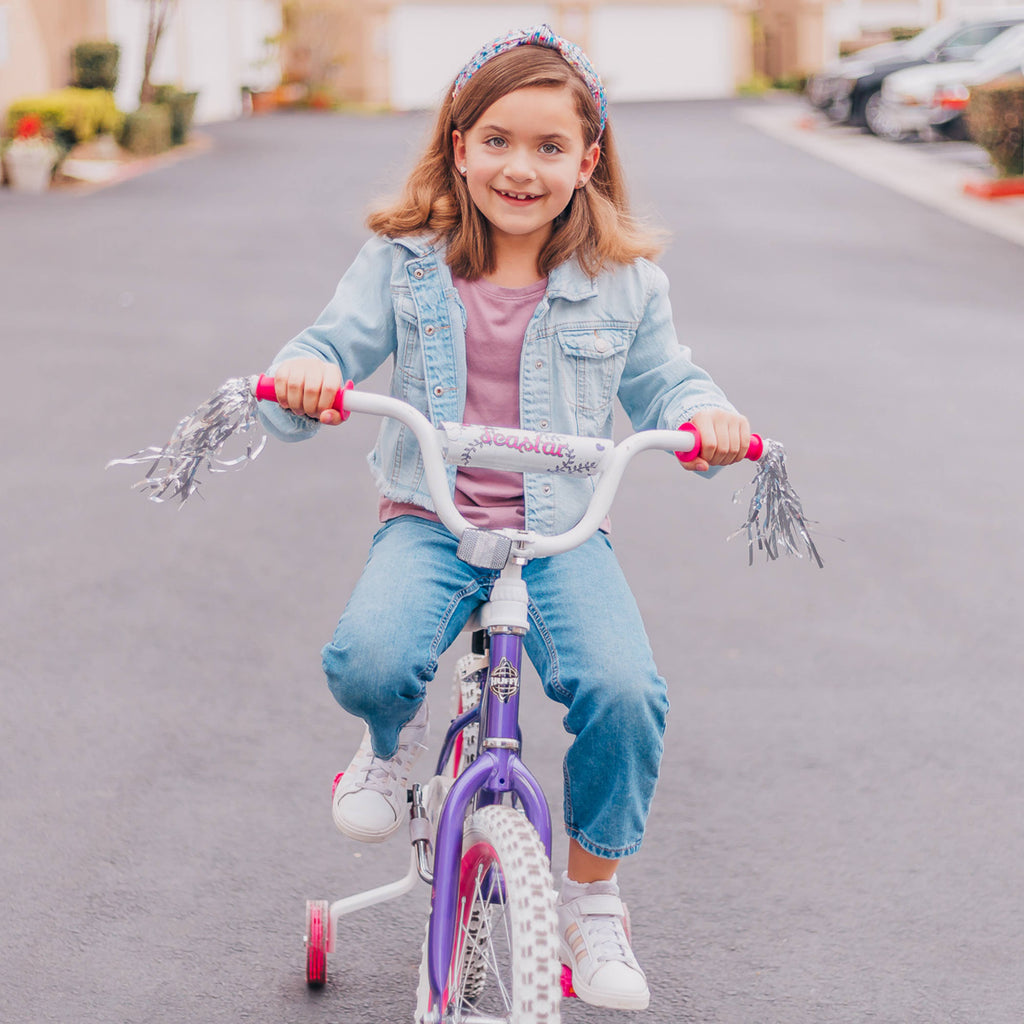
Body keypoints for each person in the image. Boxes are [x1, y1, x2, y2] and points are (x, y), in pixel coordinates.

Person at [259, 24, 750, 1012]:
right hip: (432, 521)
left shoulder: (624, 283)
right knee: (371, 656)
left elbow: (670, 384)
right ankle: (389, 742)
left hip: (560, 533)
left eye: (548, 147)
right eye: (496, 140)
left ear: (587, 160)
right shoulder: (403, 264)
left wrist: (704, 418)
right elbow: (324, 347)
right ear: (456, 144)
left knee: (624, 691)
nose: (519, 167)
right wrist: (307, 376)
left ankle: (593, 900)